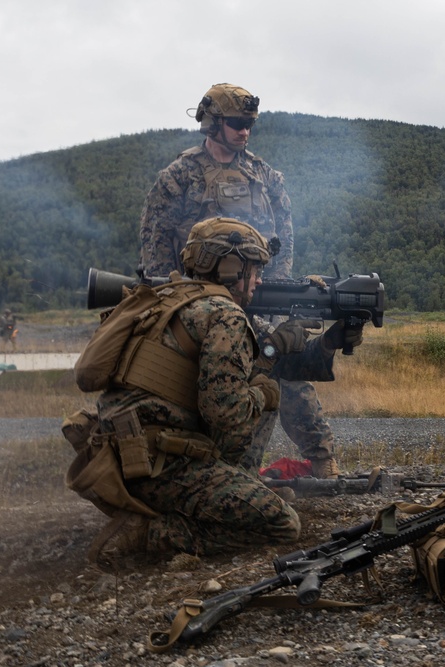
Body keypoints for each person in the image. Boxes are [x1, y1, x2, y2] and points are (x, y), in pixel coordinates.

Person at [82, 217, 314, 569]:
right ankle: (153, 533)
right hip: (160, 469)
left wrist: (266, 360)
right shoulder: (227, 316)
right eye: (254, 269)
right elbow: (228, 419)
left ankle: (238, 487)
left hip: (120, 458)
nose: (259, 280)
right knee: (283, 523)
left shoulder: (166, 300)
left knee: (256, 385)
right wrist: (265, 385)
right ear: (232, 268)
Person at [138, 82, 343, 480]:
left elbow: (283, 240)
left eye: (249, 124)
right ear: (212, 123)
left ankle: (320, 460)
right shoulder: (178, 177)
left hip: (254, 295)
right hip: (195, 301)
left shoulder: (265, 177)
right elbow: (156, 244)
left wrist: (270, 293)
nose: (244, 131)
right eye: (235, 123)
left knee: (281, 363)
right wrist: (174, 295)